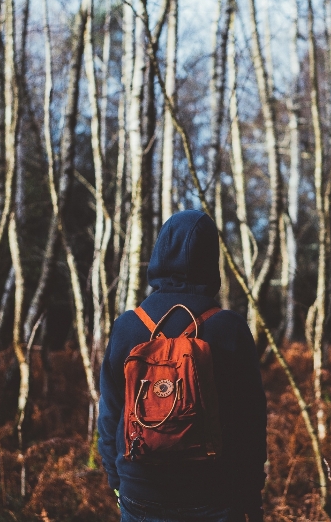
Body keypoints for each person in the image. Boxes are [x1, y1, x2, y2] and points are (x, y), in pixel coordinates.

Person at [98, 210, 267, 522]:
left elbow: (109, 415)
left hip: (140, 490)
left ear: (160, 253)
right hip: (214, 493)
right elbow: (251, 423)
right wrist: (250, 494)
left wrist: (118, 481)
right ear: (210, 260)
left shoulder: (128, 326)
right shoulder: (228, 328)